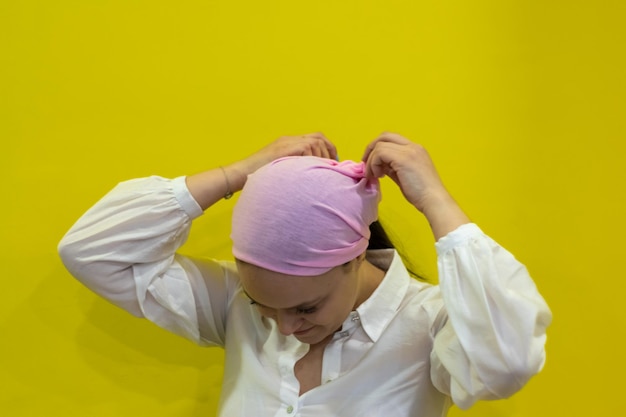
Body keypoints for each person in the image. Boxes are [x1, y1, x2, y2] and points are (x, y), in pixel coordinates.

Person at [58, 132, 552, 417]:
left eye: (305, 307)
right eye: (262, 305)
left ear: (355, 257)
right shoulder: (234, 305)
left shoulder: (432, 325)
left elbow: (506, 362)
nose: (283, 326)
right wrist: (242, 172)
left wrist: (436, 202)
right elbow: (92, 251)